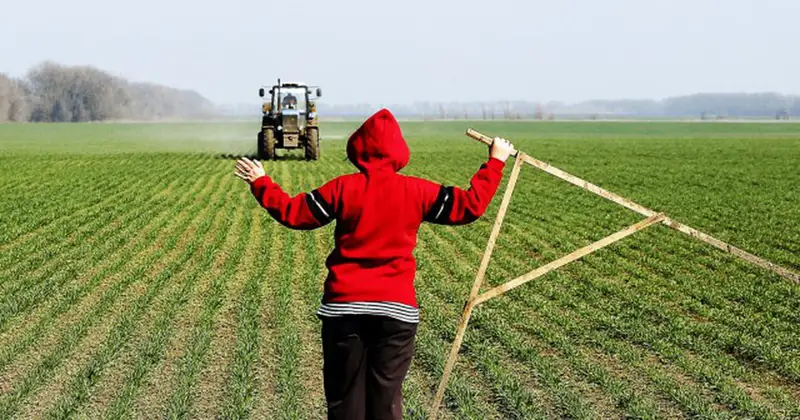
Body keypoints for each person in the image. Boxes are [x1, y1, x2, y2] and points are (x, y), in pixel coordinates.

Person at [234, 108, 515, 419]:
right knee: (386, 400)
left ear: (357, 147)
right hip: (396, 312)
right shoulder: (417, 190)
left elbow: (294, 213)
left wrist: (261, 182)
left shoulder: (343, 187)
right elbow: (469, 207)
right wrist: (496, 161)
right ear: (399, 150)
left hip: (344, 310)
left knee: (345, 402)